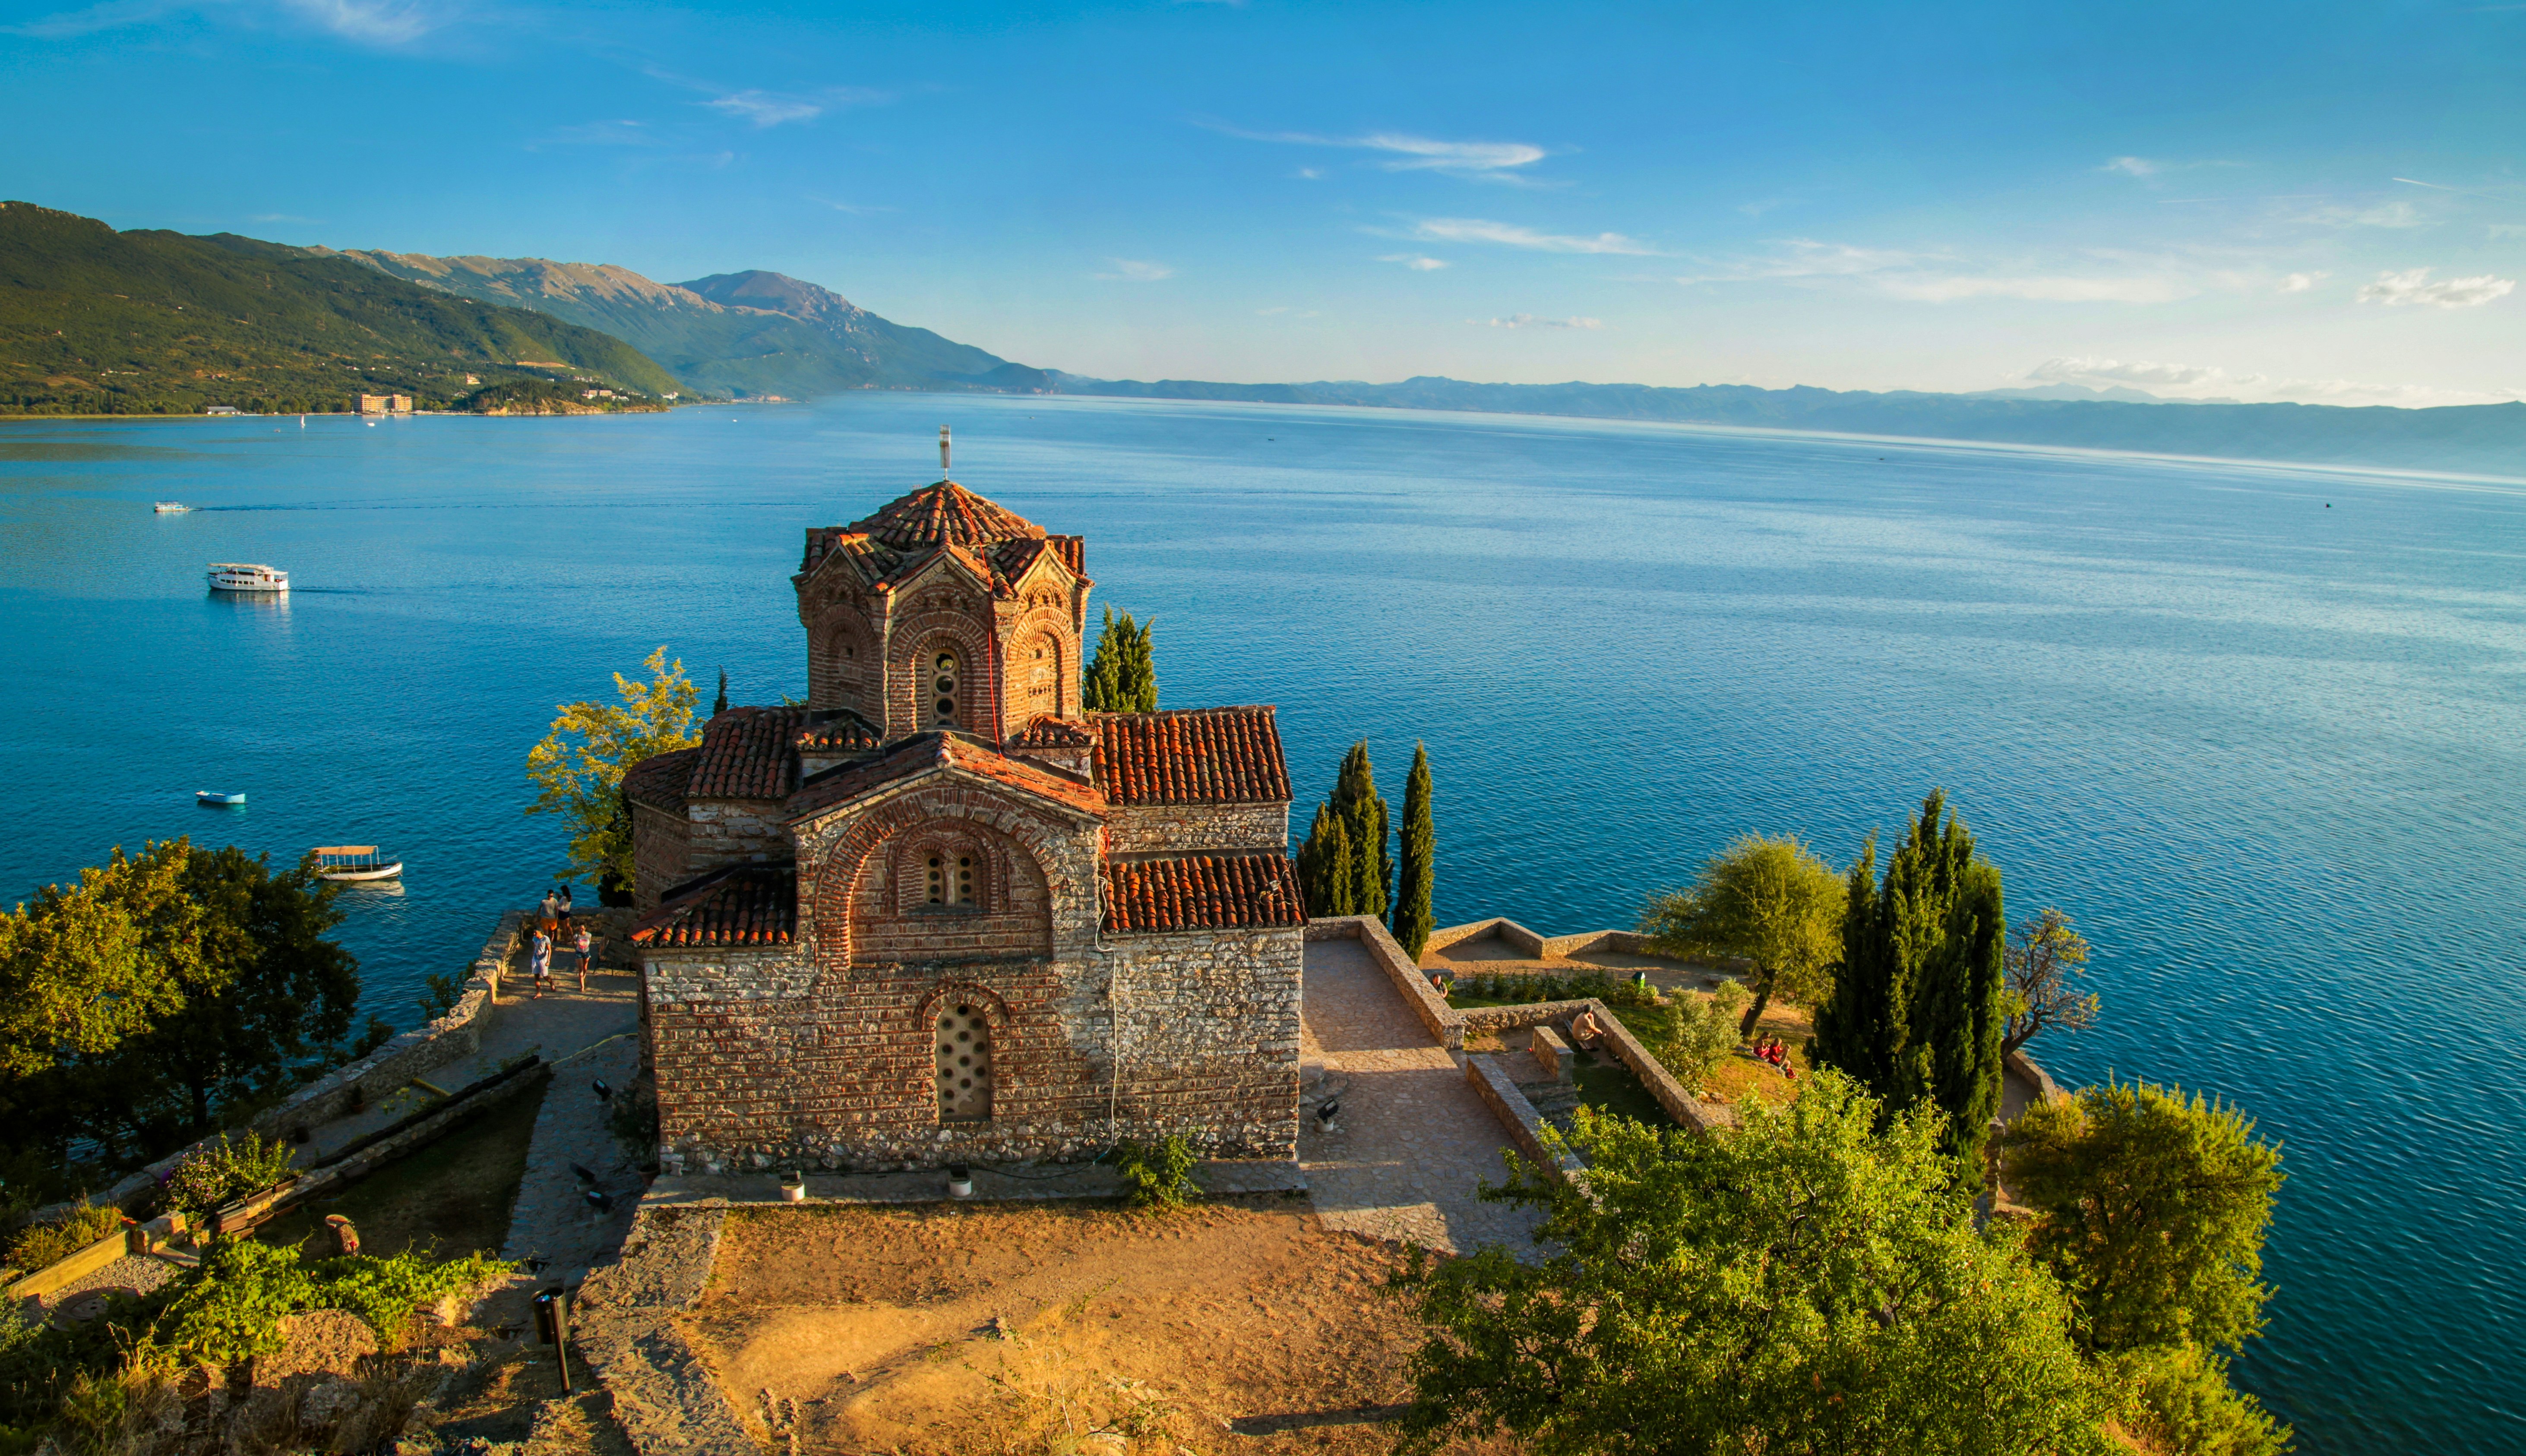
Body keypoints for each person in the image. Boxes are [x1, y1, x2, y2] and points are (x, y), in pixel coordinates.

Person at [529, 927, 552, 999]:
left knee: (545, 976)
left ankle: (551, 983)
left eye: (536, 933)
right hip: (536, 958)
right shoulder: (535, 938)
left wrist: (548, 961)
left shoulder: (546, 939)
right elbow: (534, 947)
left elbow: (549, 950)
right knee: (536, 975)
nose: (534, 934)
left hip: (543, 959)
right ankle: (538, 992)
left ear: (541, 932)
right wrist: (533, 956)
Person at [575, 923, 595, 992]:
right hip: (579, 953)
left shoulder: (589, 935)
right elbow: (572, 941)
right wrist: (576, 948)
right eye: (580, 929)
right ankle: (582, 986)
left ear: (585, 929)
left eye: (582, 929)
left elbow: (590, 941)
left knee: (585, 967)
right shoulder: (577, 936)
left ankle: (584, 977)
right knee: (581, 970)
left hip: (586, 952)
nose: (581, 930)